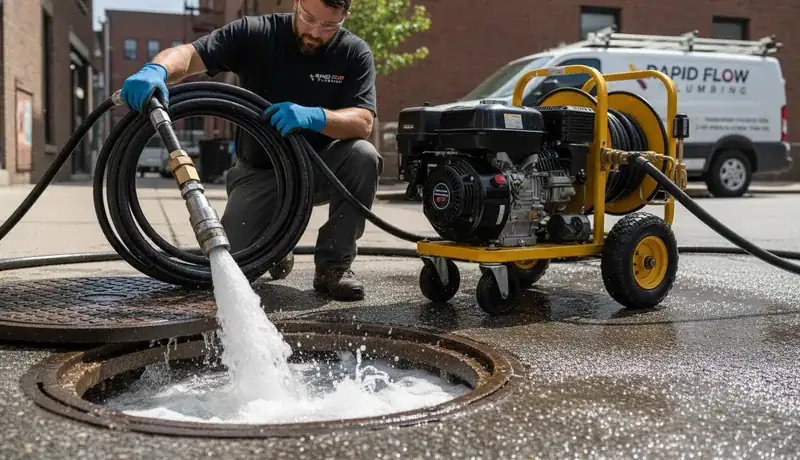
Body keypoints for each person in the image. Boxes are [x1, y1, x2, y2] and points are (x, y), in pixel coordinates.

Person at [120, 0, 382, 301]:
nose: (314, 32)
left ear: (345, 17)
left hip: (319, 168)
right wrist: (157, 69)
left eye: (328, 25)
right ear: (297, 3)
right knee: (227, 274)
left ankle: (333, 267)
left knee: (363, 156)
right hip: (259, 173)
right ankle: (275, 245)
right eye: (309, 18)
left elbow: (363, 122)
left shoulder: (353, 52)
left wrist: (315, 116)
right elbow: (191, 54)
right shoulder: (256, 33)